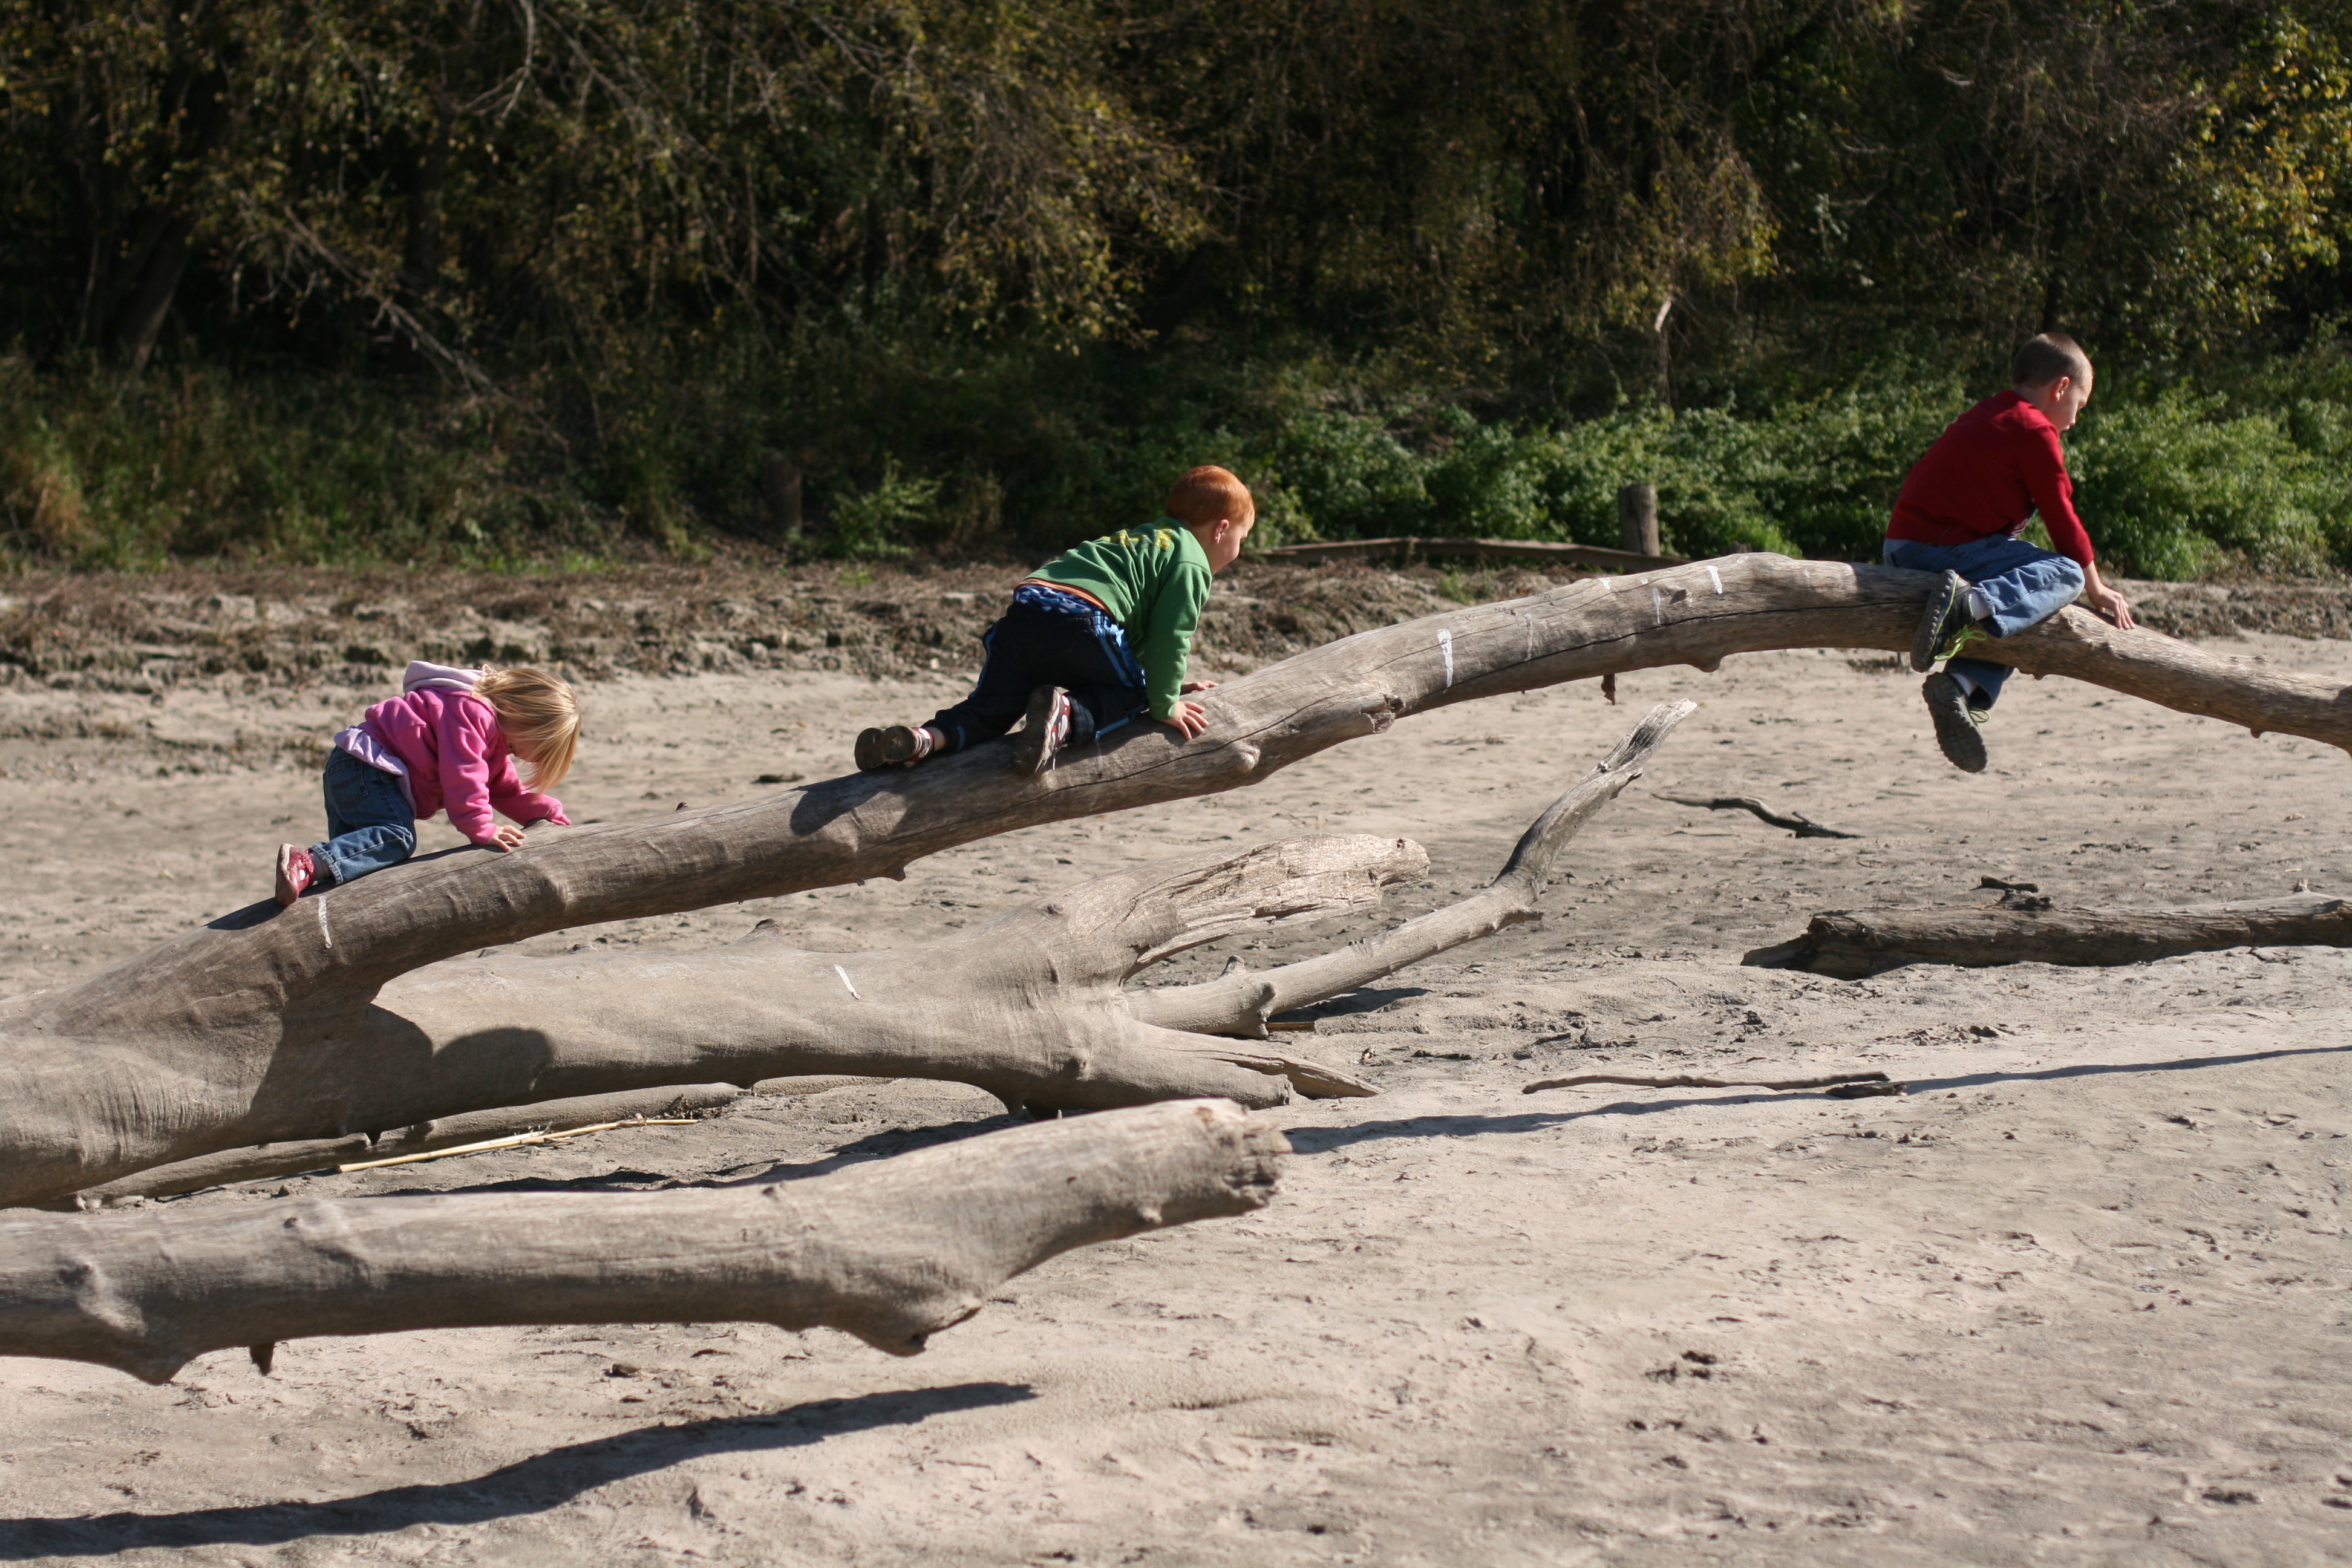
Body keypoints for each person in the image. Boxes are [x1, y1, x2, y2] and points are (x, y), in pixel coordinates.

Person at [856, 465, 1256, 776]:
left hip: (1027, 615)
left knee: (990, 709)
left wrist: (1160, 682)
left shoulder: (1144, 538)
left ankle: (924, 740)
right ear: (1221, 530)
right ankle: (1064, 718)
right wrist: (1165, 702)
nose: (1237, 552)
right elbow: (1171, 636)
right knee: (1134, 695)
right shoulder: (1190, 560)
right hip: (1082, 618)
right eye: (1242, 539)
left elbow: (1135, 643)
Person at [1887, 332, 2135, 772]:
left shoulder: (1992, 412)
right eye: (2079, 404)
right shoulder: (2031, 427)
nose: (2076, 419)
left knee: (2020, 602)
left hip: (1916, 547)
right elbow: (2061, 516)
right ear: (2060, 388)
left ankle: (1960, 686)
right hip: (1932, 549)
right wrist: (2095, 587)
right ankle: (1966, 607)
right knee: (2065, 577)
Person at [273, 661, 578, 904]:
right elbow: (464, 772)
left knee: (356, 864)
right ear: (519, 713)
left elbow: (506, 790)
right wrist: (480, 827)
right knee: (395, 838)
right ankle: (307, 861)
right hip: (369, 768)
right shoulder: (474, 712)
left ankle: (304, 878)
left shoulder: (490, 731)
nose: (511, 755)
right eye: (515, 747)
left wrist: (548, 815)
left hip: (351, 766)